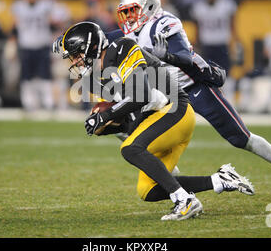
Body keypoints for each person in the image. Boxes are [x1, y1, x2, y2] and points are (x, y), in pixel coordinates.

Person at [108, 0, 271, 203]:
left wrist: (167, 56)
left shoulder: (164, 23)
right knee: (134, 132)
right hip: (168, 98)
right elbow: (103, 37)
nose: (129, 17)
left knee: (241, 138)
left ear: (149, 7)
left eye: (133, 10)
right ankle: (179, 191)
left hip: (194, 87)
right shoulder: (131, 32)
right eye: (125, 12)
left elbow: (184, 56)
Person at [54, 21, 254, 221]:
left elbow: (142, 95)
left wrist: (105, 115)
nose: (75, 61)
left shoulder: (122, 47)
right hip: (159, 119)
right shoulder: (98, 78)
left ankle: (185, 201)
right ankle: (220, 180)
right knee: (148, 190)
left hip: (175, 110)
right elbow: (130, 120)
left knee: (130, 148)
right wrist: (104, 126)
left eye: (76, 55)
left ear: (91, 47)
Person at [11, 0, 54, 111]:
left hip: (43, 44)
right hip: (26, 45)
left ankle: (48, 102)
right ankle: (28, 102)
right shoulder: (19, 6)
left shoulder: (45, 5)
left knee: (46, 75)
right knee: (26, 76)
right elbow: (14, 25)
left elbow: (54, 20)